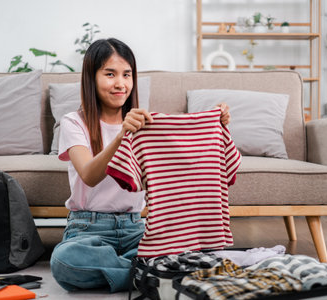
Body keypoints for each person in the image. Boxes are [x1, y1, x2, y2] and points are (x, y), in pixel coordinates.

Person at [50, 38, 231, 293]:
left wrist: (213, 124)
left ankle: (143, 271)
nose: (120, 83)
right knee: (63, 262)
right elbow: (89, 175)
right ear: (91, 78)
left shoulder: (144, 124)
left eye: (127, 74)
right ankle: (153, 274)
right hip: (88, 228)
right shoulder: (73, 122)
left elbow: (180, 165)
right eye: (110, 74)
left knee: (189, 250)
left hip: (136, 226)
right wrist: (123, 135)